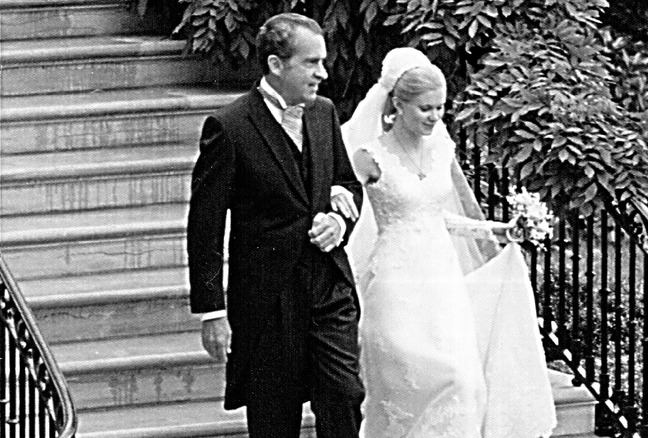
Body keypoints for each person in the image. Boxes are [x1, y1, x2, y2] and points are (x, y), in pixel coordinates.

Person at [340, 47, 557, 437]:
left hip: (441, 281)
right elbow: (340, 205)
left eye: (440, 108)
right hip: (394, 283)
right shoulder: (368, 157)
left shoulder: (442, 150)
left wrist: (493, 229)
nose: (435, 117)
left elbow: (436, 216)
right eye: (425, 108)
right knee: (407, 386)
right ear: (398, 105)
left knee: (463, 381)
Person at [186, 13, 365, 438]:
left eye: (322, 61)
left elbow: (346, 183)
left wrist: (339, 220)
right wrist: (212, 310)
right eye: (311, 63)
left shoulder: (323, 113)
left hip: (328, 289)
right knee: (274, 420)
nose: (323, 73)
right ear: (275, 64)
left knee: (344, 396)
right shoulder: (229, 128)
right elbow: (205, 226)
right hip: (268, 300)